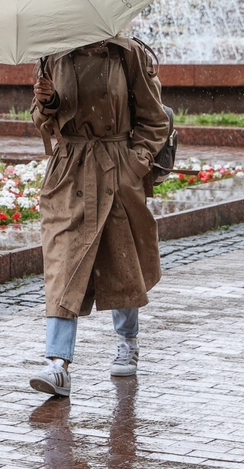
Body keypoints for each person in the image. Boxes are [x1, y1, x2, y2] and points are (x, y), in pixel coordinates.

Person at [28, 36, 169, 397]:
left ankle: (127, 340)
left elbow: (155, 120)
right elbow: (41, 123)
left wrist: (133, 165)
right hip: (68, 174)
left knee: (120, 260)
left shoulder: (128, 52)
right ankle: (58, 363)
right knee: (62, 263)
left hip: (116, 169)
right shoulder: (53, 51)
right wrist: (48, 103)